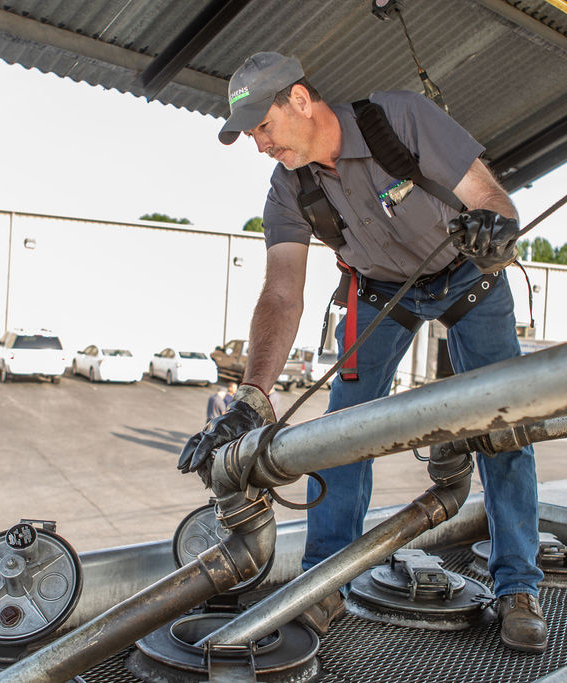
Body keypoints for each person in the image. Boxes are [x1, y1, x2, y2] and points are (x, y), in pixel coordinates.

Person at [177, 52, 546, 654]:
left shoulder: (398, 119)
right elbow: (280, 293)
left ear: (299, 99)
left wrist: (498, 230)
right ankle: (323, 583)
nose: (260, 144)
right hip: (381, 293)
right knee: (342, 433)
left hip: (469, 278)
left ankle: (518, 588)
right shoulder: (288, 188)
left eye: (262, 127)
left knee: (502, 425)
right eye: (250, 135)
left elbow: (492, 199)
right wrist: (252, 398)